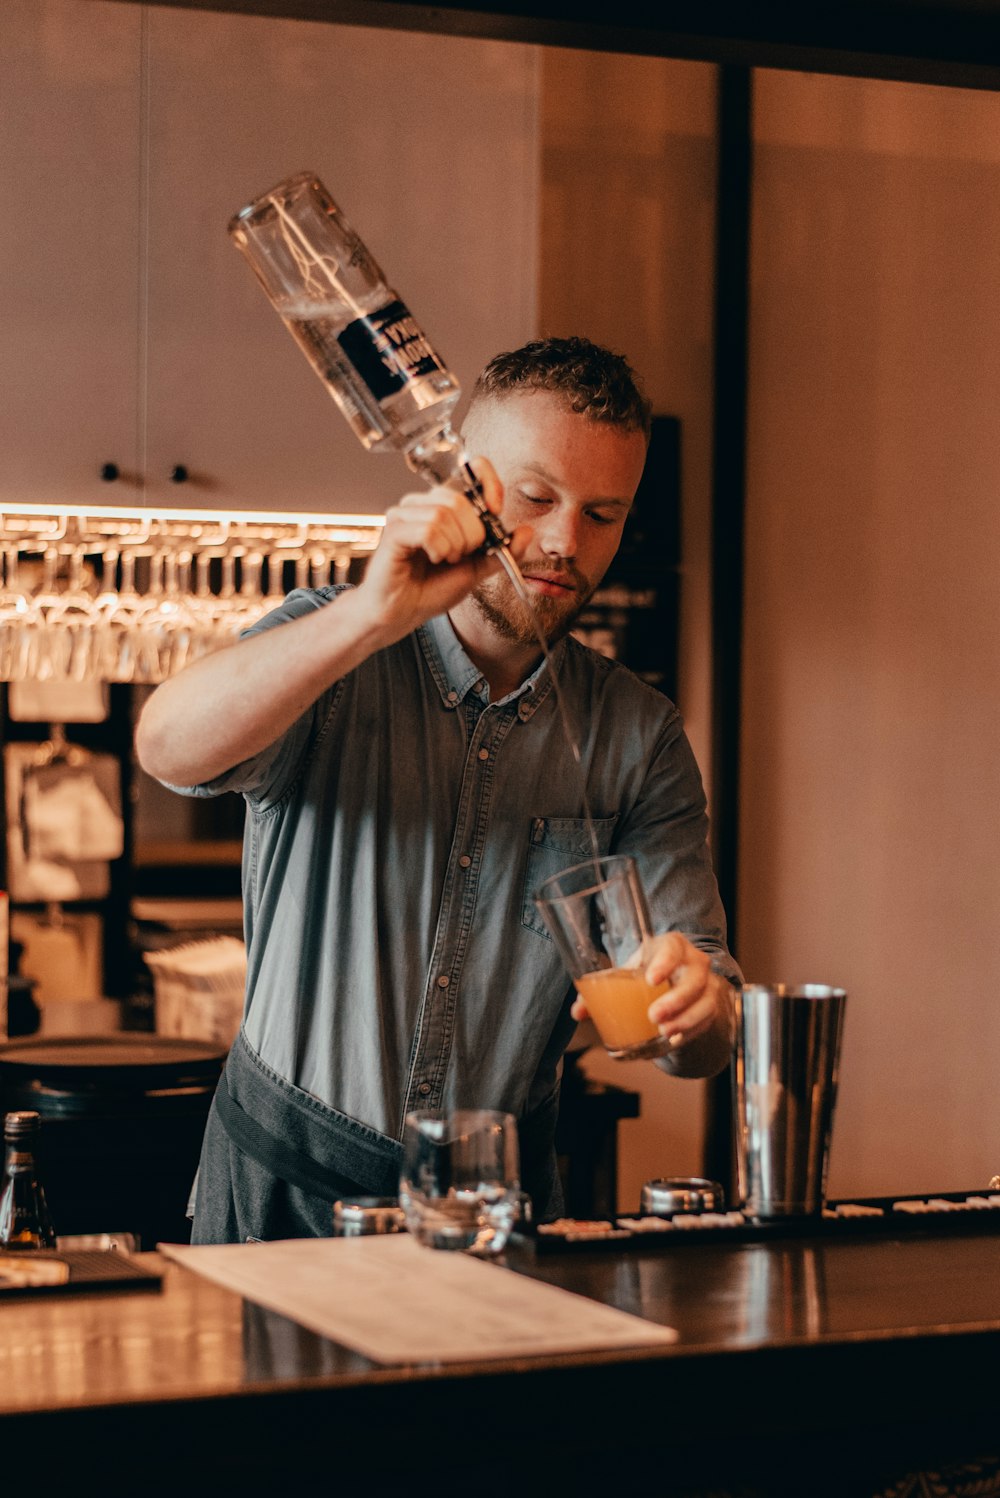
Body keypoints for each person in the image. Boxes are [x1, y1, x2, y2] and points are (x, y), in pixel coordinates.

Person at [135, 336, 741, 1244]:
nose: (564, 544)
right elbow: (166, 747)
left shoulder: (638, 735)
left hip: (498, 1211)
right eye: (537, 499)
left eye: (604, 514)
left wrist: (697, 1009)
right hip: (281, 1198)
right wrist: (371, 616)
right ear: (468, 481)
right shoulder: (336, 643)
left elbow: (706, 1037)